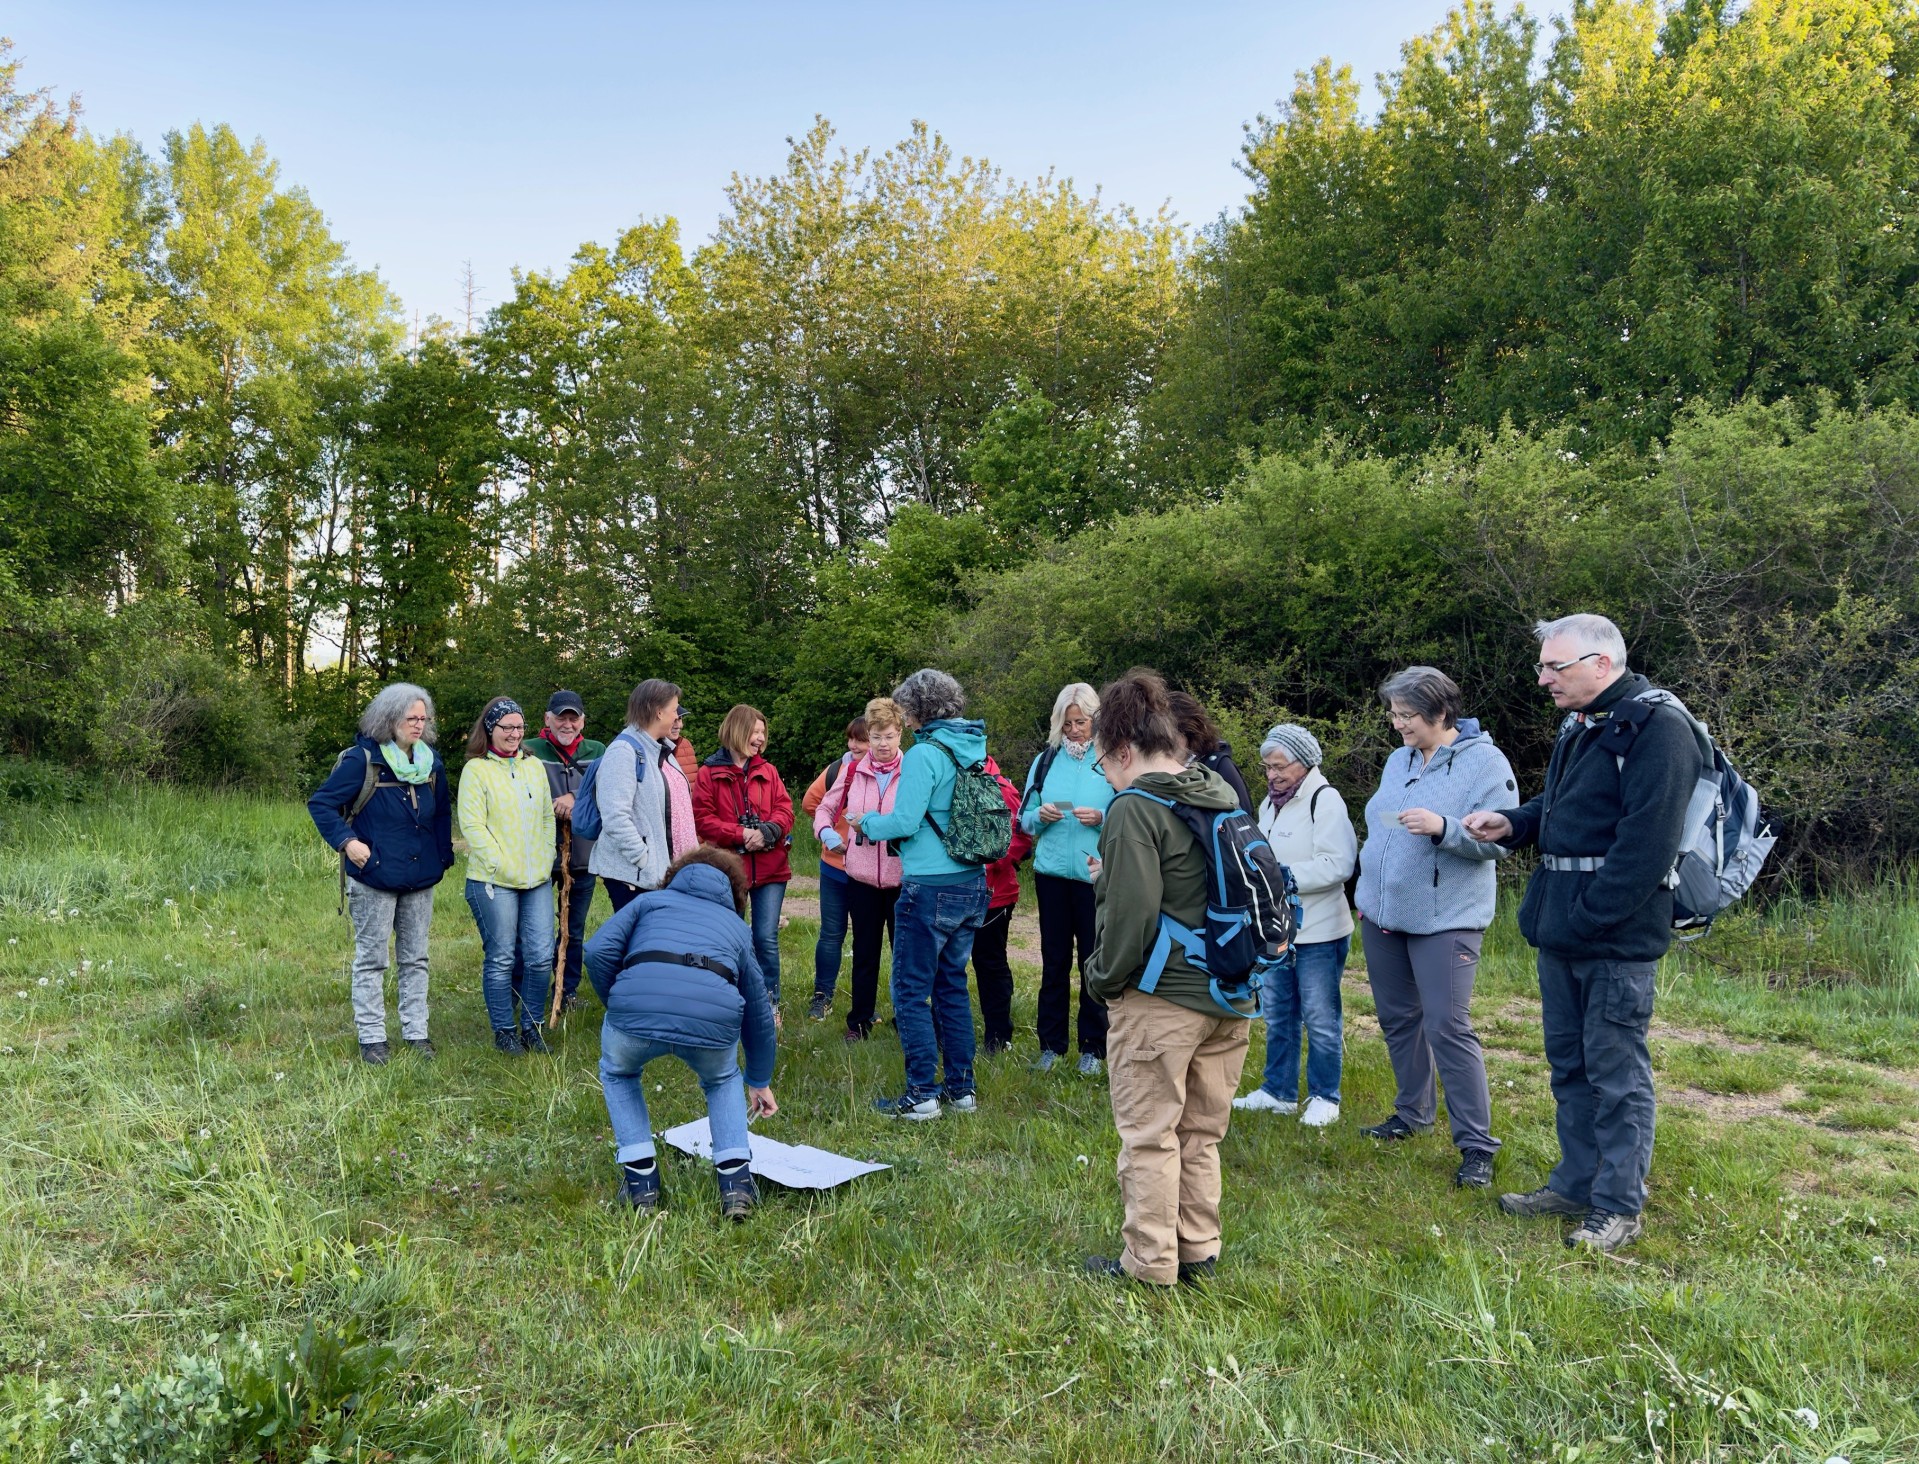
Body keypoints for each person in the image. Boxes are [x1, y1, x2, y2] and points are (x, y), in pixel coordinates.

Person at [1464, 614, 1702, 1253]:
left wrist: (1593, 913)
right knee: (1569, 1066)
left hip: (1615, 935)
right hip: (1561, 926)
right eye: (1542, 666)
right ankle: (1575, 1183)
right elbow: (1562, 807)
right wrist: (1512, 822)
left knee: (1616, 1071)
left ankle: (1619, 1205)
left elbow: (1648, 843)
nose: (1543, 679)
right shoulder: (1583, 723)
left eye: (1555, 667)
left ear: (1602, 664)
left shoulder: (1660, 729)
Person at [1081, 668, 1255, 1288]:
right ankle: (1198, 1249)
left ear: (1124, 751)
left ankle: (1149, 1263)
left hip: (1161, 1001)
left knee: (1149, 1137)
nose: (1105, 775)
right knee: (1200, 1134)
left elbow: (1129, 918)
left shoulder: (1134, 808)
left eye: (1104, 762)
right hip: (1230, 995)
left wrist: (1101, 979)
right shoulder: (1214, 790)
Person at [1351, 667, 1517, 1190]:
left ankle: (1476, 1147)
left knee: (1448, 1027)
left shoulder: (1485, 763)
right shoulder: (1398, 760)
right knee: (1399, 1021)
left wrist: (1444, 829)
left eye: (1407, 715)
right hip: (1382, 918)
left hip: (1446, 922)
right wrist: (1368, 891)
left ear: (1441, 714)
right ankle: (1412, 1113)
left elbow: (1501, 839)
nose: (1397, 724)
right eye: (1394, 713)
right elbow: (1380, 828)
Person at [582, 846, 778, 1220]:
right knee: (722, 1080)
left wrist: (620, 1001)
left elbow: (597, 952)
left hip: (633, 1015)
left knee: (619, 1073)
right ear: (734, 893)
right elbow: (757, 1007)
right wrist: (759, 1079)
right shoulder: (736, 926)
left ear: (676, 876)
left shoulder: (649, 903)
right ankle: (736, 1187)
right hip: (712, 1020)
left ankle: (642, 1185)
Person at [846, 669, 993, 1119]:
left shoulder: (926, 754)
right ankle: (961, 1089)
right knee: (951, 985)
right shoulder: (972, 746)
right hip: (971, 882)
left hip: (929, 887)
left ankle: (922, 1094)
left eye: (906, 709)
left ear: (916, 710)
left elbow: (905, 822)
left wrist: (865, 824)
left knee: (910, 992)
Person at [308, 682, 455, 1064]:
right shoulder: (362, 760)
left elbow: (441, 814)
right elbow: (321, 804)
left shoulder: (430, 763)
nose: (419, 725)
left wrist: (441, 859)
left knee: (416, 958)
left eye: (424, 718)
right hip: (372, 876)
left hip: (420, 877)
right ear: (389, 719)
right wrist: (348, 843)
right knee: (372, 959)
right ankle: (372, 1039)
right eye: (411, 718)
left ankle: (417, 1033)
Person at [1232, 724, 1357, 1125]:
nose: (1272, 774)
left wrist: (1282, 876)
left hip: (1320, 930)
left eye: (1280, 766)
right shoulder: (1270, 804)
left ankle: (1325, 1096)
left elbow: (1340, 865)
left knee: (1320, 1016)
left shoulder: (1326, 800)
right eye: (1267, 767)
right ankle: (1278, 1092)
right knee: (1278, 1013)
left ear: (1304, 763)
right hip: (1277, 930)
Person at [1019, 683, 1114, 1075]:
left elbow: (1134, 815)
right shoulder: (1045, 761)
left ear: (1096, 720)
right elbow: (1023, 819)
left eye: (1082, 722)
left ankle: (1094, 1047)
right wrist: (1039, 817)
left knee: (1094, 961)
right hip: (1052, 875)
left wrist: (1103, 818)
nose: (1075, 730)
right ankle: (1051, 1046)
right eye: (1068, 722)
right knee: (1053, 961)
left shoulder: (1112, 761)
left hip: (1095, 876)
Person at [457, 697, 559, 1054]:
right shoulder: (477, 771)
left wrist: (546, 857)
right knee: (501, 957)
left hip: (536, 881)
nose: (515, 734)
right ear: (490, 729)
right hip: (494, 881)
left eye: (519, 727)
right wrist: (502, 863)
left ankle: (533, 1027)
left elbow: (547, 816)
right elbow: (472, 825)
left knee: (540, 956)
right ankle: (504, 1030)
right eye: (507, 727)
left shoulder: (533, 767)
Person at [815, 700, 905, 1042]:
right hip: (862, 878)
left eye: (889, 736)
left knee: (904, 956)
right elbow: (824, 808)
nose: (882, 744)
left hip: (902, 879)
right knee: (865, 952)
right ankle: (859, 1022)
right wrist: (827, 834)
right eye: (877, 736)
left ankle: (906, 1017)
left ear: (900, 735)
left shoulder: (913, 771)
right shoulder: (853, 770)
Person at [693, 705, 793, 1008]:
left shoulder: (769, 771)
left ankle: (769, 1004)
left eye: (763, 733)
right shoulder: (709, 773)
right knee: (729, 939)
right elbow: (703, 818)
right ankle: (727, 1000)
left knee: (765, 939)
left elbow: (786, 810)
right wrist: (740, 834)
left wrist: (769, 831)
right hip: (729, 870)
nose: (760, 738)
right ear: (738, 730)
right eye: (756, 731)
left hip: (770, 867)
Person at [524, 690, 605, 1014]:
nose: (567, 724)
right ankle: (529, 988)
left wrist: (574, 796)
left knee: (574, 927)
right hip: (540, 856)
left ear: (582, 721)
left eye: (573, 718)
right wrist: (551, 806)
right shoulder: (530, 750)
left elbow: (608, 790)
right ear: (547, 719)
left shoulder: (597, 751)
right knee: (536, 928)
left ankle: (567, 990)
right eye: (561, 717)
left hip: (582, 856)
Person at [589, 680, 682, 913]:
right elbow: (615, 817)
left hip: (649, 874)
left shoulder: (657, 750)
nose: (677, 717)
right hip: (631, 876)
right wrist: (643, 859)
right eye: (674, 710)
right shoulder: (623, 752)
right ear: (659, 712)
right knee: (637, 944)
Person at [802, 716, 869, 1022]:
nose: (854, 745)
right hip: (833, 867)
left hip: (869, 870)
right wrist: (834, 829)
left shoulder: (892, 772)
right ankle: (822, 996)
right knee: (831, 934)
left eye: (862, 740)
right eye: (851, 739)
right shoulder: (838, 769)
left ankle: (865, 1004)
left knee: (866, 939)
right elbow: (810, 803)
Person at [971, 753, 1034, 1056]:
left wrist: (990, 862)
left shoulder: (1002, 788)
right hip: (952, 891)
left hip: (995, 894)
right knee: (945, 964)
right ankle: (941, 1030)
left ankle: (998, 1036)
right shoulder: (948, 781)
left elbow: (1021, 838)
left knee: (989, 963)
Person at [1167, 690, 1256, 814]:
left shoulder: (1218, 764)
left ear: (1188, 731)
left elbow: (1244, 815)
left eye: (1170, 735)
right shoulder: (1165, 767)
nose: (1164, 743)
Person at [660, 699, 699, 861]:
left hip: (689, 829)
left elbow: (694, 792)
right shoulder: (649, 750)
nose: (678, 725)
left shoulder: (686, 746)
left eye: (680, 719)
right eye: (674, 719)